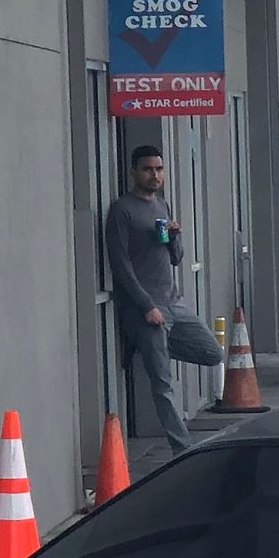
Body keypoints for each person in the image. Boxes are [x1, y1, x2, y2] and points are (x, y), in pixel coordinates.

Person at [106, 142, 223, 457]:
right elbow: (121, 266)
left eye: (158, 169)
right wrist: (146, 307)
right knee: (163, 384)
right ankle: (182, 449)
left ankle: (147, 346)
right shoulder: (122, 210)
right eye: (147, 169)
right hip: (147, 309)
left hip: (174, 303)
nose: (154, 175)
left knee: (213, 353)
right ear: (134, 172)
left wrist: (175, 237)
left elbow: (176, 258)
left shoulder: (163, 206)